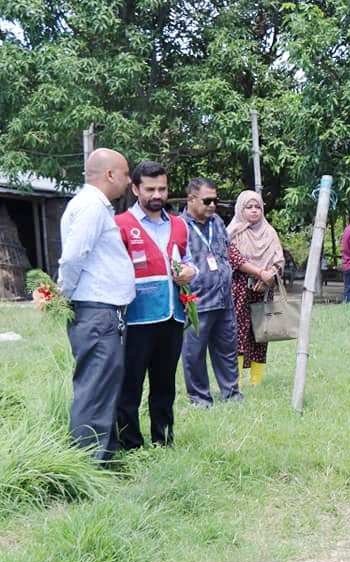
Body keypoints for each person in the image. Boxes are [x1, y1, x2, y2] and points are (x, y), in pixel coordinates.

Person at [57, 148, 135, 461]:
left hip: (102, 312)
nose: (130, 180)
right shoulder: (91, 206)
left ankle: (104, 456)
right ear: (110, 175)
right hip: (95, 311)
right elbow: (75, 256)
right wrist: (66, 292)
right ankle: (88, 463)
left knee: (103, 386)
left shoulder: (96, 207)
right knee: (95, 388)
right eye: (127, 173)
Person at [114, 161, 197, 449]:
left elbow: (184, 259)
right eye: (150, 189)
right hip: (136, 319)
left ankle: (164, 440)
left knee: (165, 386)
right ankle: (130, 444)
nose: (157, 194)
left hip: (172, 316)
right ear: (136, 189)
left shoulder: (179, 225)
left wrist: (190, 271)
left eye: (162, 188)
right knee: (130, 386)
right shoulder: (121, 225)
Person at [180, 177, 243, 408]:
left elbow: (224, 252)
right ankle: (200, 398)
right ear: (191, 199)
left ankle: (232, 393)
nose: (212, 205)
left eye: (215, 200)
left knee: (227, 348)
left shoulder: (216, 221)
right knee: (194, 353)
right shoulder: (179, 226)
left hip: (223, 298)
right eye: (207, 201)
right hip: (197, 301)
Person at [228, 190, 284, 386]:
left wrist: (270, 276)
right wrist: (261, 272)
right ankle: (239, 381)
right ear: (240, 209)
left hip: (263, 290)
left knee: (260, 333)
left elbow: (279, 260)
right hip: (240, 289)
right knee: (239, 333)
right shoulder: (233, 232)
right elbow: (235, 259)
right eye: (249, 207)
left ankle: (256, 381)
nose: (254, 211)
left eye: (257, 207)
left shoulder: (270, 232)